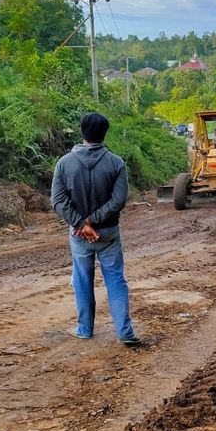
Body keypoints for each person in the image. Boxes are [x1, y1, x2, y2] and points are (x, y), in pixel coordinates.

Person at [51, 112, 141, 346]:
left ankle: (84, 328)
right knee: (115, 280)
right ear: (105, 133)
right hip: (108, 233)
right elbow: (118, 200)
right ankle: (124, 332)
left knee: (82, 280)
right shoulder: (116, 163)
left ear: (82, 132)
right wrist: (93, 221)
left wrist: (82, 224)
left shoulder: (63, 164)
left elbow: (58, 202)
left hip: (79, 235)